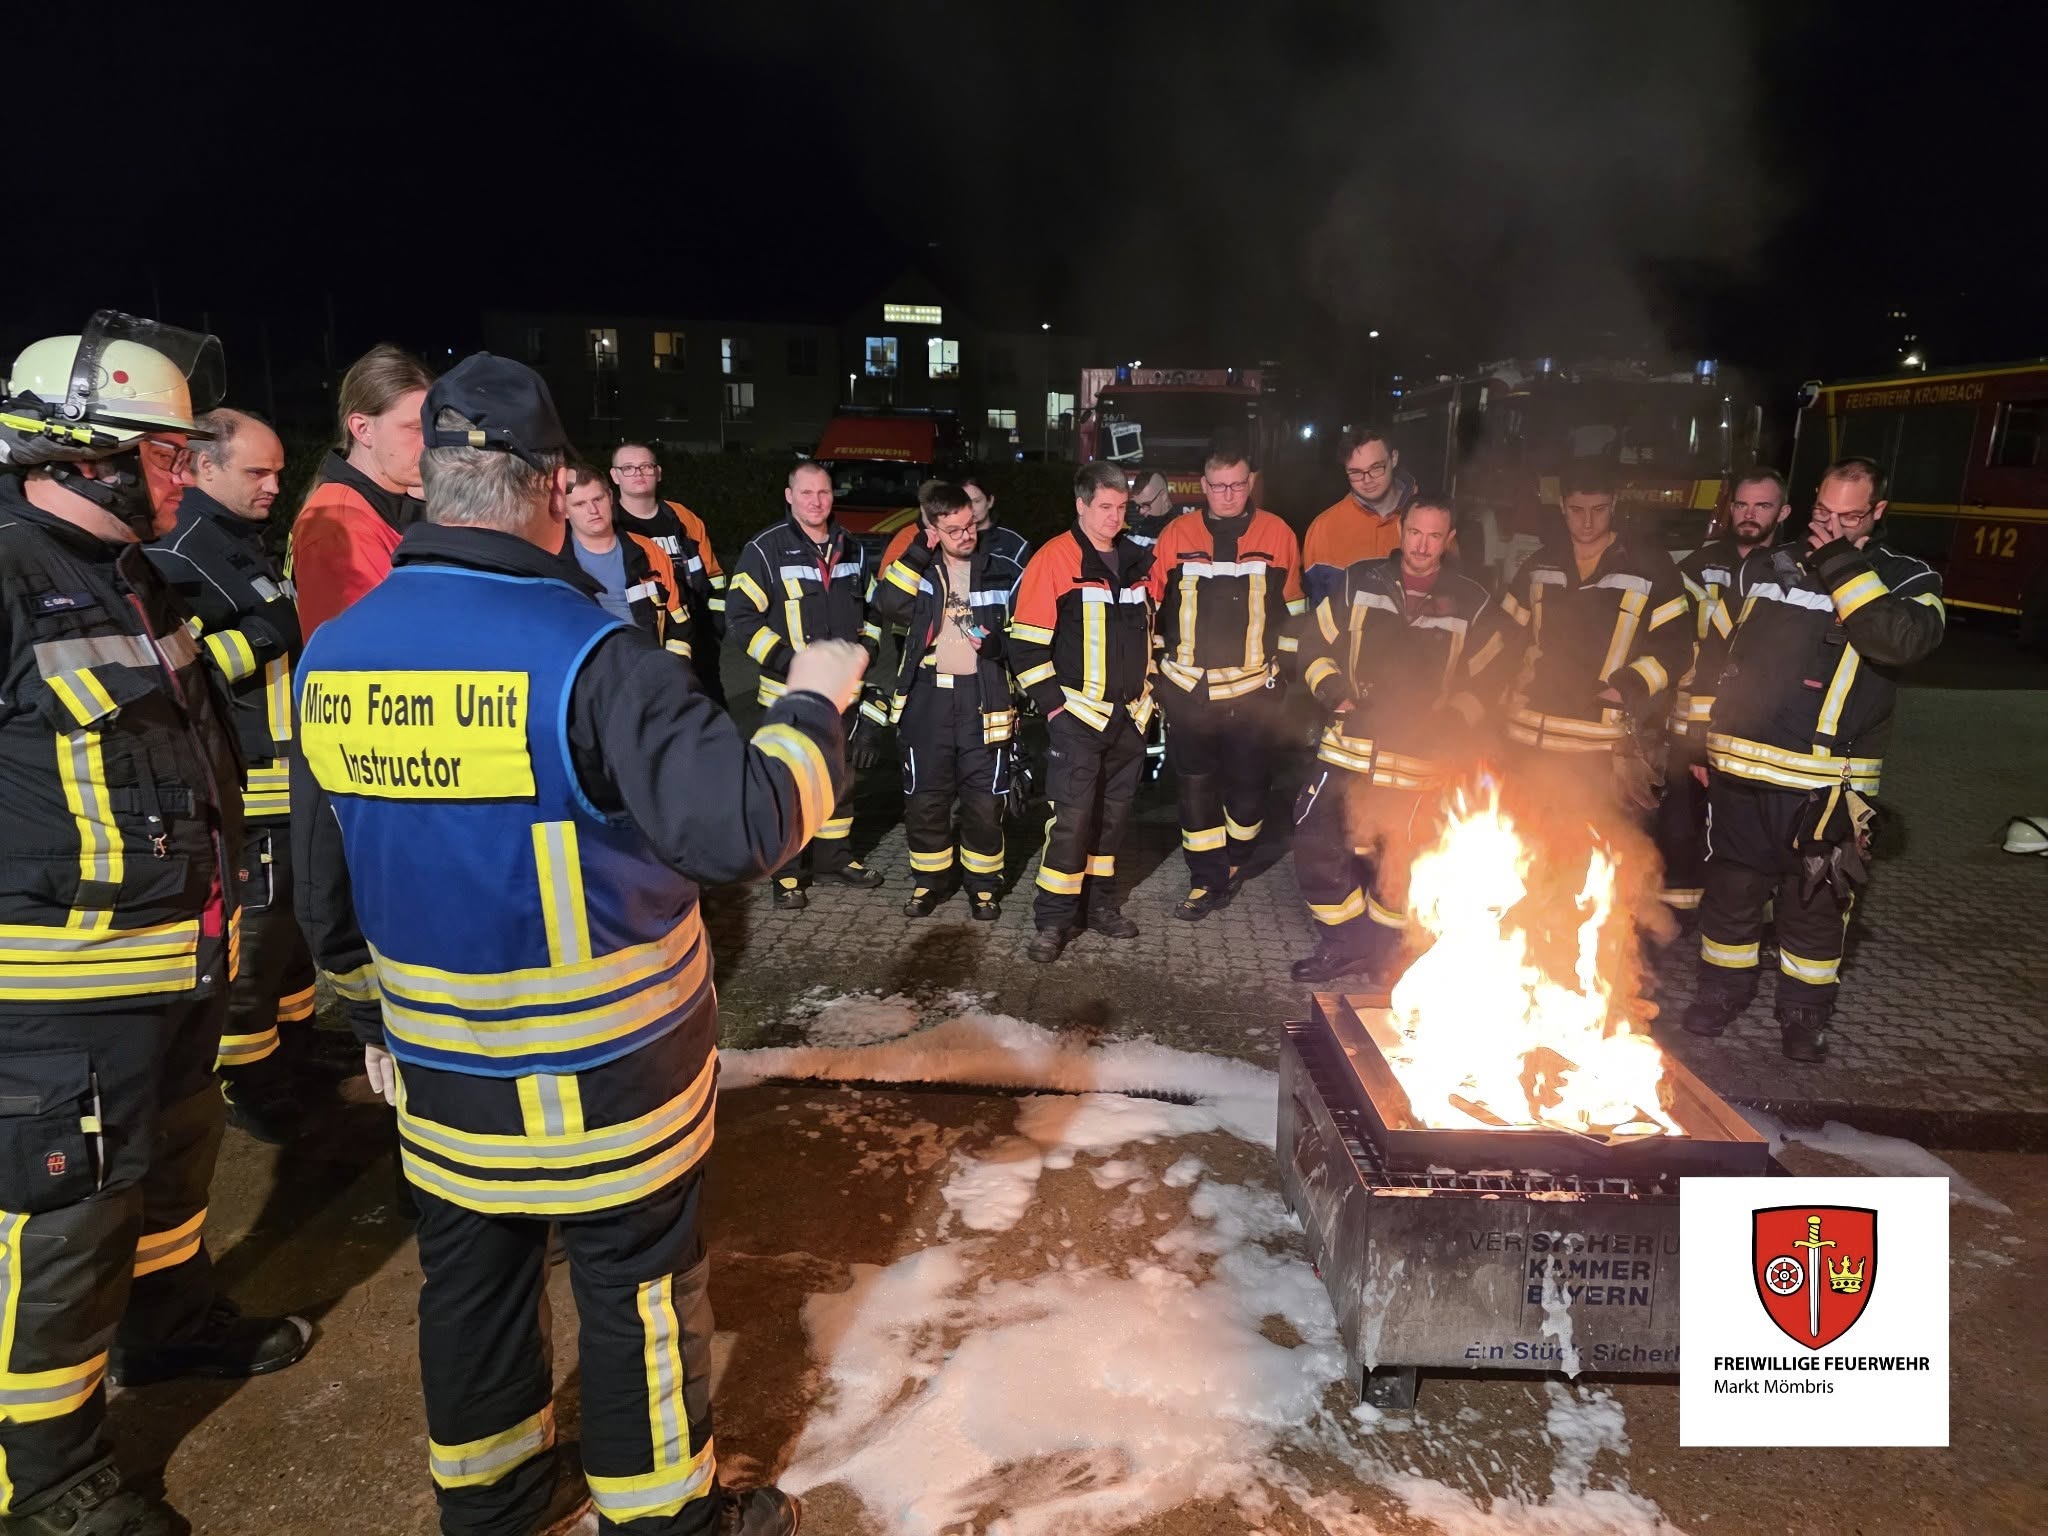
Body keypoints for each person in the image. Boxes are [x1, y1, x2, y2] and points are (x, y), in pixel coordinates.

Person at [294, 353, 857, 1536]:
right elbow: (748, 823)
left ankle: (492, 1510)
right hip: (608, 1081)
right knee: (638, 1294)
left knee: (473, 1293)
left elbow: (322, 888)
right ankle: (659, 1520)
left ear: (431, 484)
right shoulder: (595, 662)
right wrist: (812, 705)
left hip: (441, 1080)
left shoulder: (334, 659)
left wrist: (369, 1026)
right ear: (554, 486)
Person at [0, 314, 311, 1536]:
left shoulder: (129, 575)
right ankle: (50, 1477)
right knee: (65, 1232)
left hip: (173, 965)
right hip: (57, 995)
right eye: (164, 454)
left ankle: (171, 1330)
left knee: (171, 1174)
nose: (178, 474)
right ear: (81, 453)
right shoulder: (8, 569)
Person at [1683, 457, 1944, 1062]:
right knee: (1730, 897)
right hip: (1741, 773)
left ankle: (1804, 1015)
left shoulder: (1908, 580)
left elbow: (1898, 642)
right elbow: (1715, 649)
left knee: (1816, 912)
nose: (1827, 528)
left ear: (1877, 513)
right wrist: (1698, 737)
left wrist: (1840, 564)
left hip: (1829, 790)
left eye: (1847, 517)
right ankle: (1721, 993)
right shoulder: (1771, 567)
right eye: (1821, 513)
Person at [145, 408, 315, 1145]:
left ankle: (296, 1050)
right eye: (257, 471)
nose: (274, 484)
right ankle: (250, 1079)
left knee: (294, 935)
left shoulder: (231, 540)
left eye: (278, 470)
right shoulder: (177, 552)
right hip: (251, 780)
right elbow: (183, 672)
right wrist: (266, 631)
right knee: (259, 937)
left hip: (288, 775)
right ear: (200, 467)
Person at [1290, 499, 1511, 981]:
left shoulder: (1472, 603)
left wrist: (1451, 720)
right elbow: (1312, 643)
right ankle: (1344, 941)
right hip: (1349, 747)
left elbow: (1496, 682)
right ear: (1401, 529)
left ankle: (1385, 950)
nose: (1422, 545)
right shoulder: (1358, 582)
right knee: (1314, 838)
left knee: (1402, 860)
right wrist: (1333, 692)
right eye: (1415, 532)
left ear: (1448, 540)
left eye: (1434, 536)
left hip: (1420, 761)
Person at [1148, 446, 1306, 919]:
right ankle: (1206, 879)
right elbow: (1153, 606)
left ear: (1251, 482)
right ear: (1203, 486)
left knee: (1249, 790)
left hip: (1254, 695)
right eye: (1218, 486)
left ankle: (1237, 860)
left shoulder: (1278, 533)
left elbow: (1293, 611)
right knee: (1195, 791)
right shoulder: (1176, 534)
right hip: (1189, 691)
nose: (1227, 494)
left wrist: (1289, 685)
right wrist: (1157, 673)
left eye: (1237, 484)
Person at [1010, 462, 1157, 961]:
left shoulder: (1139, 561)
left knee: (1112, 823)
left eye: (1121, 507)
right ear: (1081, 505)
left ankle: (1099, 907)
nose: (1114, 517)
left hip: (1129, 721)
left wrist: (1150, 697)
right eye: (1104, 507)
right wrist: (1054, 711)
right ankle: (1053, 921)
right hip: (1077, 720)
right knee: (1070, 823)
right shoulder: (1054, 559)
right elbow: (1026, 647)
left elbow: (1153, 638)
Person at [728, 462, 886, 907]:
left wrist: (865, 654)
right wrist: (790, 662)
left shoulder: (852, 549)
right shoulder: (766, 550)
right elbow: (741, 619)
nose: (816, 501)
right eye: (806, 493)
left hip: (843, 693)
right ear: (789, 496)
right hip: (788, 696)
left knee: (842, 777)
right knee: (790, 783)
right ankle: (788, 872)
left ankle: (834, 858)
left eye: (823, 493)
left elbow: (873, 613)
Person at [870, 482, 1027, 918]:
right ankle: (929, 883)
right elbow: (887, 604)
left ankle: (983, 887)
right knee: (926, 799)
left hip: (985, 698)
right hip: (928, 701)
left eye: (970, 525)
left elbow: (1028, 635)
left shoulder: (1001, 569)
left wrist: (999, 647)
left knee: (983, 801)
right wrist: (920, 551)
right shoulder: (919, 568)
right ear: (931, 528)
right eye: (954, 529)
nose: (966, 535)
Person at [1497, 462, 1691, 808]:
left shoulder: (1650, 566)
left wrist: (1627, 687)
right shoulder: (1540, 565)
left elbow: (1676, 650)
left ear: (1614, 505)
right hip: (1529, 738)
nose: (1587, 522)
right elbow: (1503, 640)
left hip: (1602, 745)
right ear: (1562, 507)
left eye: (1599, 510)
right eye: (1576, 510)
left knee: (1596, 855)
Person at [1654, 468, 1792, 914]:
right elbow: (1675, 645)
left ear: (1784, 512)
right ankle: (1675, 924)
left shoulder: (1796, 572)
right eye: (1741, 505)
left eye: (1763, 506)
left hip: (1761, 735)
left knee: (1750, 835)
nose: (1749, 515)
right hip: (1689, 728)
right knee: (1679, 829)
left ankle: (1746, 920)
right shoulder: (1696, 566)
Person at [289, 343, 435, 637]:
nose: (429, 443)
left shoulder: (378, 504)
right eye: (414, 429)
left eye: (433, 429)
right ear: (362, 428)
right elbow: (372, 643)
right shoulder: (340, 524)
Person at [610, 442, 728, 705]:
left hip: (698, 646)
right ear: (615, 476)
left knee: (710, 716)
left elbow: (715, 578)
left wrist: (714, 630)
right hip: (640, 650)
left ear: (658, 472)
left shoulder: (684, 518)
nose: (638, 473)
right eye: (628, 468)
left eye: (646, 466)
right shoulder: (608, 524)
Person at [565, 462, 700, 656]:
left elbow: (678, 622)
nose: (593, 510)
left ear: (610, 497)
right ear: (563, 510)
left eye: (598, 499)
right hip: (588, 678)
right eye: (579, 504)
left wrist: (672, 672)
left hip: (647, 671)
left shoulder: (649, 552)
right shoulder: (555, 561)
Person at [1301, 426, 1416, 606]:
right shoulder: (1323, 528)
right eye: (1356, 472)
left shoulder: (1430, 522)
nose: (1367, 479)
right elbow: (1315, 610)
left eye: (1376, 468)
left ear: (1393, 458)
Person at [962, 471, 1031, 571]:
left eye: (976, 501)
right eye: (965, 502)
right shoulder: (951, 541)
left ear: (990, 501)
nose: (971, 508)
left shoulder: (1013, 542)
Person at [1123, 469, 1177, 548]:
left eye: (1146, 505)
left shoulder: (1183, 529)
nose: (1141, 511)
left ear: (1163, 496)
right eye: (1138, 506)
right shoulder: (1138, 530)